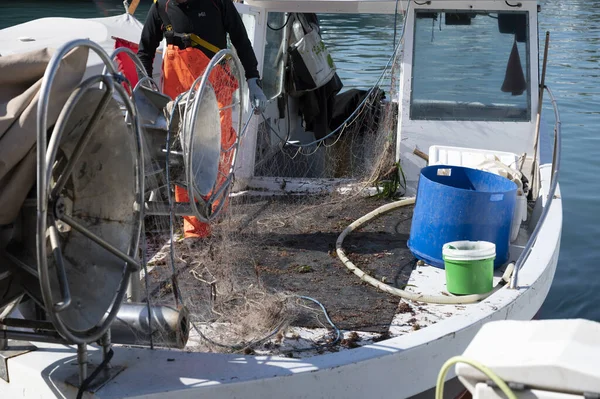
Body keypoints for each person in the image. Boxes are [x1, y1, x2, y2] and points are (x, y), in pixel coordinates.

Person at [137, 0, 267, 239]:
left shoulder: (219, 3)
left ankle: (217, 212)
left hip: (216, 87)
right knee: (181, 155)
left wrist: (253, 80)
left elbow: (241, 40)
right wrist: (147, 86)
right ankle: (195, 229)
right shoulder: (160, 7)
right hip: (178, 94)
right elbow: (144, 52)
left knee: (218, 148)